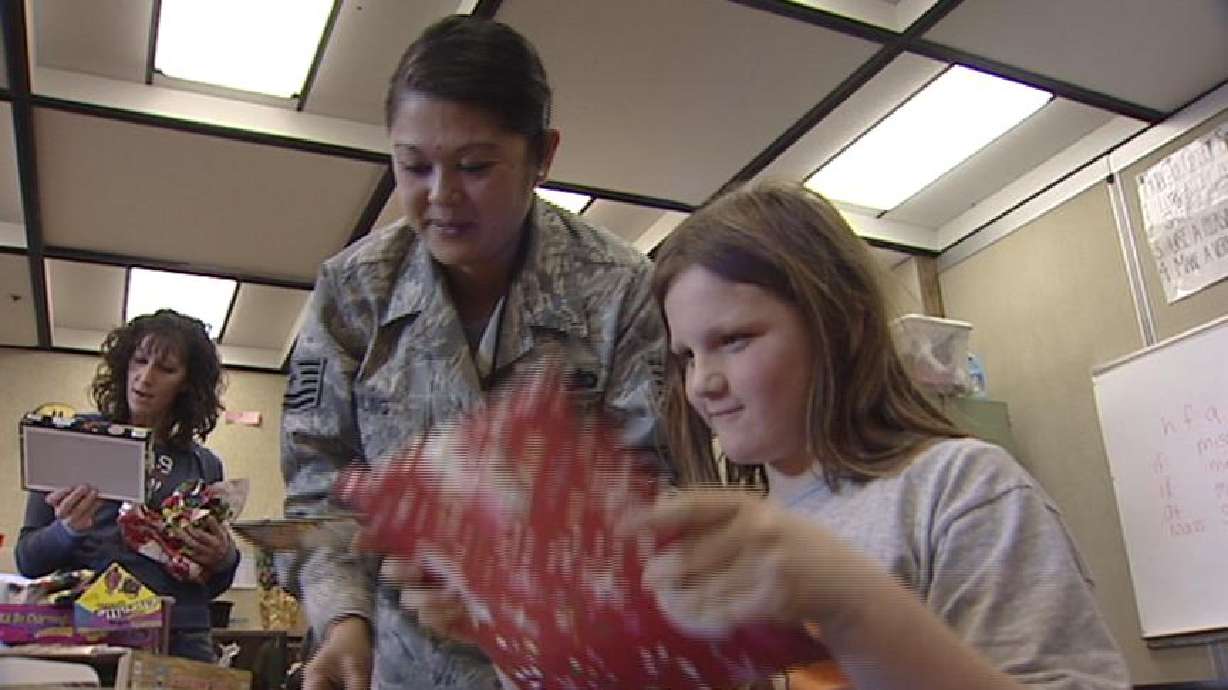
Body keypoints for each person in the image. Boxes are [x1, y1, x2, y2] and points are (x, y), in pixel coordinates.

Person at [278, 14, 665, 690]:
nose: (441, 196)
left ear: (543, 154)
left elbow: (651, 500)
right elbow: (319, 487)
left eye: (476, 166)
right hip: (395, 668)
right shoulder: (355, 291)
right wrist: (344, 625)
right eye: (413, 166)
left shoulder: (620, 290)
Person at [624, 182, 1131, 690]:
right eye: (687, 356)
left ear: (841, 324)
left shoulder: (957, 489)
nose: (702, 384)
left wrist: (852, 604)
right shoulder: (727, 547)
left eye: (734, 340)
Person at [16, 309, 239, 663]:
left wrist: (223, 557)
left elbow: (210, 584)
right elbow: (27, 561)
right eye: (139, 360)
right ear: (124, 364)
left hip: (180, 635)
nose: (145, 378)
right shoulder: (72, 439)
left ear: (186, 383)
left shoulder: (204, 464)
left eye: (166, 369)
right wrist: (68, 529)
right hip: (88, 632)